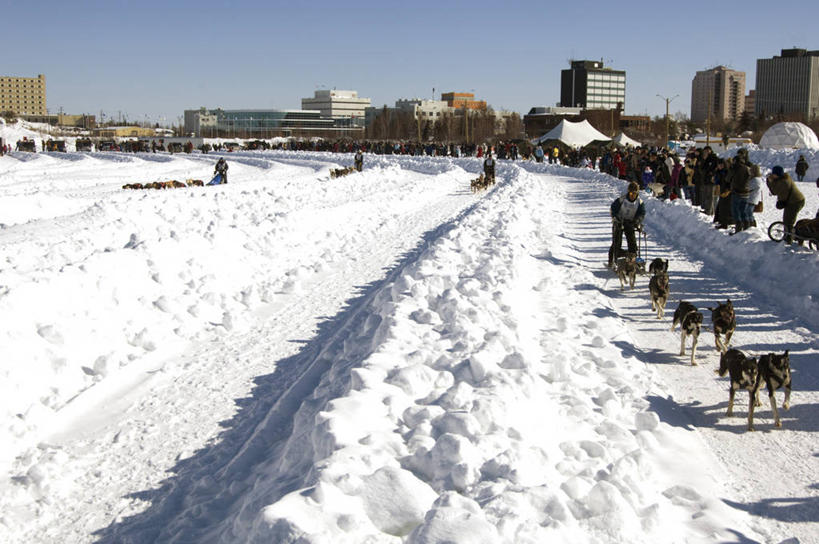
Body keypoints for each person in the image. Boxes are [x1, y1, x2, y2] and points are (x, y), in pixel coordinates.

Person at [609, 181, 646, 268]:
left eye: (634, 193)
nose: (632, 195)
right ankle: (612, 260)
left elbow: (642, 213)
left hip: (630, 223)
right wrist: (615, 217)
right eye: (630, 193)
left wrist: (637, 221)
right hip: (619, 222)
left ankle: (633, 259)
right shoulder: (622, 199)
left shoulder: (639, 202)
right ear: (628, 192)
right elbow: (613, 208)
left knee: (632, 242)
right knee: (616, 241)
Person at [766, 165, 804, 244]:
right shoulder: (783, 178)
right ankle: (789, 236)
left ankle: (788, 240)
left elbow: (774, 191)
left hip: (795, 202)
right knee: (788, 220)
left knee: (788, 221)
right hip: (794, 201)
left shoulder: (784, 182)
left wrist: (770, 182)